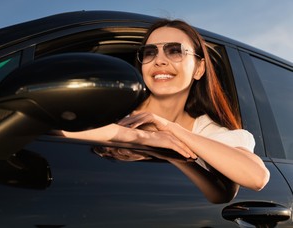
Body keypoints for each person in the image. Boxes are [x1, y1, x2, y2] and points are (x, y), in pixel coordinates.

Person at [58, 19, 270, 191]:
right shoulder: (112, 105)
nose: (159, 60)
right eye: (150, 52)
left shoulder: (206, 131)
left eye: (175, 51)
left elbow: (256, 177)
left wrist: (171, 129)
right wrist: (140, 136)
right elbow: (52, 126)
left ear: (199, 69)